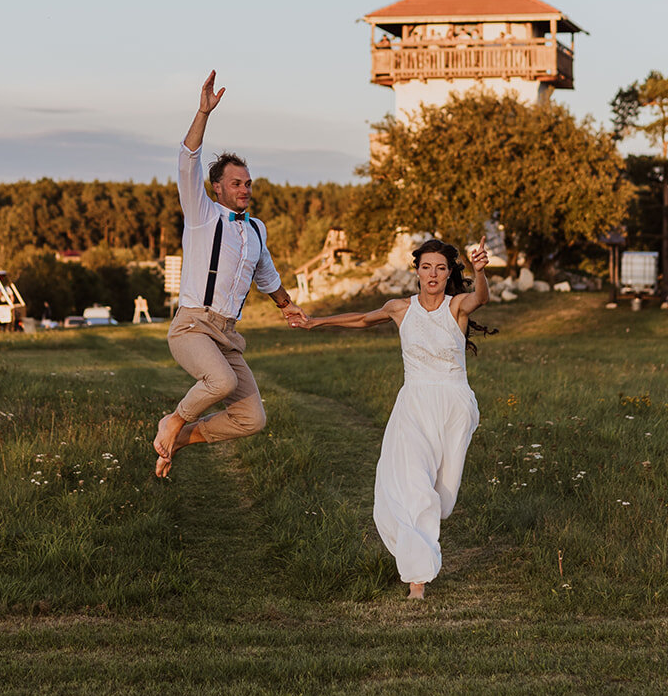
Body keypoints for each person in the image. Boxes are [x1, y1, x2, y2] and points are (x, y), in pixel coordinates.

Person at [290, 236, 493, 600]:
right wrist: (315, 322)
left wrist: (480, 272)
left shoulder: (457, 307)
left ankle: (423, 549)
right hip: (413, 403)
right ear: (416, 271)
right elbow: (362, 319)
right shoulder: (400, 308)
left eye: (441, 268)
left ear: (449, 274)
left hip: (452, 406)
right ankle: (418, 579)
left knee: (441, 497)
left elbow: (481, 298)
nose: (433, 274)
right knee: (411, 482)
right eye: (426, 267)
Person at [152, 72, 307, 476]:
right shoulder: (202, 215)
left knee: (252, 419)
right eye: (236, 183)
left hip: (227, 334)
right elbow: (187, 159)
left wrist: (287, 306)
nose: (245, 189)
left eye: (248, 183)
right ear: (216, 188)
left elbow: (268, 277)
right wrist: (203, 112)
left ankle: (181, 440)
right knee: (218, 383)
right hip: (193, 327)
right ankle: (174, 421)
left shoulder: (256, 229)